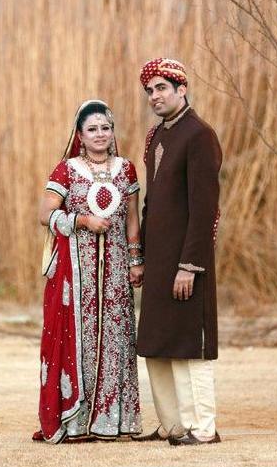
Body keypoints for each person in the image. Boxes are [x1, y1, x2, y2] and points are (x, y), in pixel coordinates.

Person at [33, 100, 144, 443]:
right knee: (78, 340)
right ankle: (77, 421)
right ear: (80, 135)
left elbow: (132, 219)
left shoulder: (126, 170)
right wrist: (82, 220)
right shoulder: (67, 170)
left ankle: (111, 420)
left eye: (105, 128)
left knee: (115, 338)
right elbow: (44, 214)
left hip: (116, 270)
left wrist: (136, 260)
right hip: (76, 274)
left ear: (113, 133)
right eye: (92, 129)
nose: (100, 134)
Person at [133, 58, 223, 446]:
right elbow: (152, 204)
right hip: (158, 260)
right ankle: (171, 425)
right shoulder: (157, 136)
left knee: (189, 345)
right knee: (156, 343)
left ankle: (202, 429)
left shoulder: (200, 135)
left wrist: (190, 265)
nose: (154, 96)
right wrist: (141, 257)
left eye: (162, 88)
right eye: (150, 90)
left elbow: (206, 210)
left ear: (181, 89)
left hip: (186, 262)